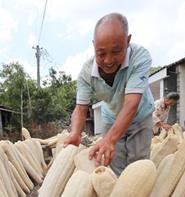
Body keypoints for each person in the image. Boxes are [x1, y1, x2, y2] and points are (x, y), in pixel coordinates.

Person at [63, 12, 155, 176]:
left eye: (116, 51)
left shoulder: (140, 57)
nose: (108, 60)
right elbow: (80, 108)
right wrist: (75, 132)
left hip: (140, 115)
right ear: (94, 46)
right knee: (113, 165)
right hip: (111, 117)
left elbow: (131, 104)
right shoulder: (86, 72)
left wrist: (110, 140)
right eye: (101, 53)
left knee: (138, 164)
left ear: (127, 41)